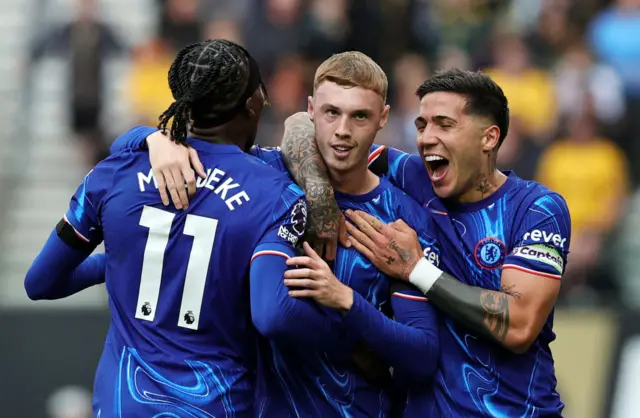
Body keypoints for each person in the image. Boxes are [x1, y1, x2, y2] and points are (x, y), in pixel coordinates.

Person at [109, 51, 442, 417]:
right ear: (312, 109)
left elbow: (423, 356)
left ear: (383, 118)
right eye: (332, 113)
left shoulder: (402, 220)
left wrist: (347, 301)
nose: (343, 130)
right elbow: (123, 151)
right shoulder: (261, 177)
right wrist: (154, 140)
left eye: (359, 115)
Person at [24, 39, 328, 417]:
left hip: (123, 404)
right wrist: (347, 325)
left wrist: (120, 262)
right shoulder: (275, 193)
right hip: (217, 405)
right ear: (252, 105)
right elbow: (274, 315)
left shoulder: (115, 172)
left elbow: (40, 282)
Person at [330, 69, 570, 416]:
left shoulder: (536, 209)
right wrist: (322, 197)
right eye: (422, 125)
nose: (426, 138)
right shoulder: (412, 176)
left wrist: (417, 270)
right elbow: (315, 135)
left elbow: (519, 324)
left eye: (444, 124)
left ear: (489, 138)